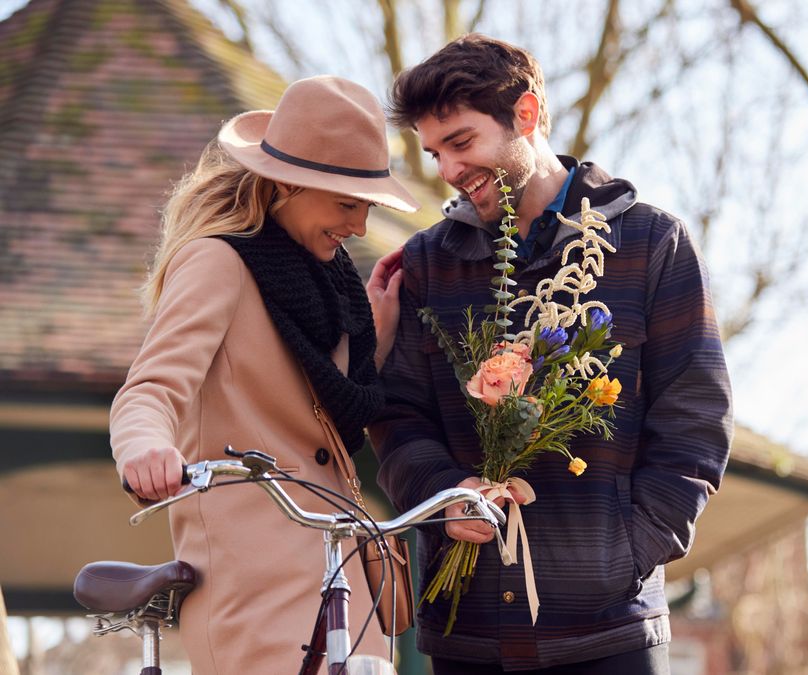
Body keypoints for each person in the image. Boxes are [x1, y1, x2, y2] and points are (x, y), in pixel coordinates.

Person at [371, 34, 734, 674]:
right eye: (435, 152)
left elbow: (695, 421)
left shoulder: (653, 244)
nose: (448, 170)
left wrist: (627, 553)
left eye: (461, 142)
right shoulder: (425, 264)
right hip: (466, 632)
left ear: (527, 114)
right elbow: (397, 417)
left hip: (611, 633)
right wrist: (444, 493)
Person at [110, 75, 415, 674]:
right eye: (346, 203)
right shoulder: (216, 261)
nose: (359, 226)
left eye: (366, 206)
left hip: (342, 572)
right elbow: (151, 388)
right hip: (255, 579)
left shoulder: (330, 287)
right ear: (288, 184)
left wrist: (373, 334)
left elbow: (320, 409)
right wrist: (144, 446)